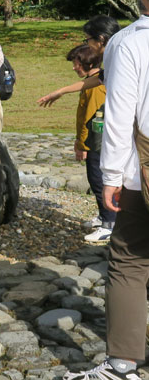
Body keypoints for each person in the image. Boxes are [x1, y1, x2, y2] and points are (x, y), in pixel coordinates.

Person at [63, 0, 149, 380]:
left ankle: (122, 366)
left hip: (142, 169)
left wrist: (112, 175)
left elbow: (119, 117)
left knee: (130, 261)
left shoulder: (130, 42)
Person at [66, 44, 115, 243]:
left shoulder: (95, 88)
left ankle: (109, 224)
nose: (74, 68)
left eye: (76, 64)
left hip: (96, 143)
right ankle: (104, 217)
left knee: (98, 181)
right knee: (98, 181)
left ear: (88, 63)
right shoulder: (94, 81)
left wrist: (82, 145)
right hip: (95, 142)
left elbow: (92, 119)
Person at [37, 15, 120, 107]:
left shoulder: (120, 58)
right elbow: (99, 79)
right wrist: (61, 91)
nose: (87, 45)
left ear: (101, 39)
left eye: (87, 40)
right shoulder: (112, 56)